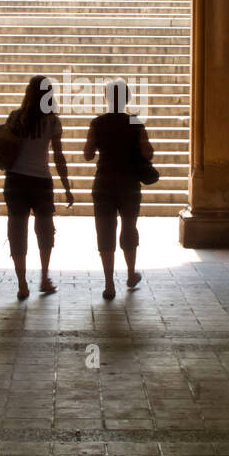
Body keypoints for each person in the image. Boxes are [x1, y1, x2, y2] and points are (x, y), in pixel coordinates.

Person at [3, 75, 74, 300]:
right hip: (41, 181)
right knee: (44, 230)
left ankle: (22, 283)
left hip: (15, 179)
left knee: (17, 230)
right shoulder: (52, 121)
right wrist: (66, 186)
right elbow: (59, 156)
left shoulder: (15, 118)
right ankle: (44, 277)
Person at [83, 79, 150, 300]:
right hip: (129, 184)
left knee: (105, 232)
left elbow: (88, 154)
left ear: (106, 98)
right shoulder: (135, 123)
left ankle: (109, 283)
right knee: (129, 227)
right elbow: (148, 153)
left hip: (104, 183)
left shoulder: (97, 123)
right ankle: (131, 274)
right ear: (127, 98)